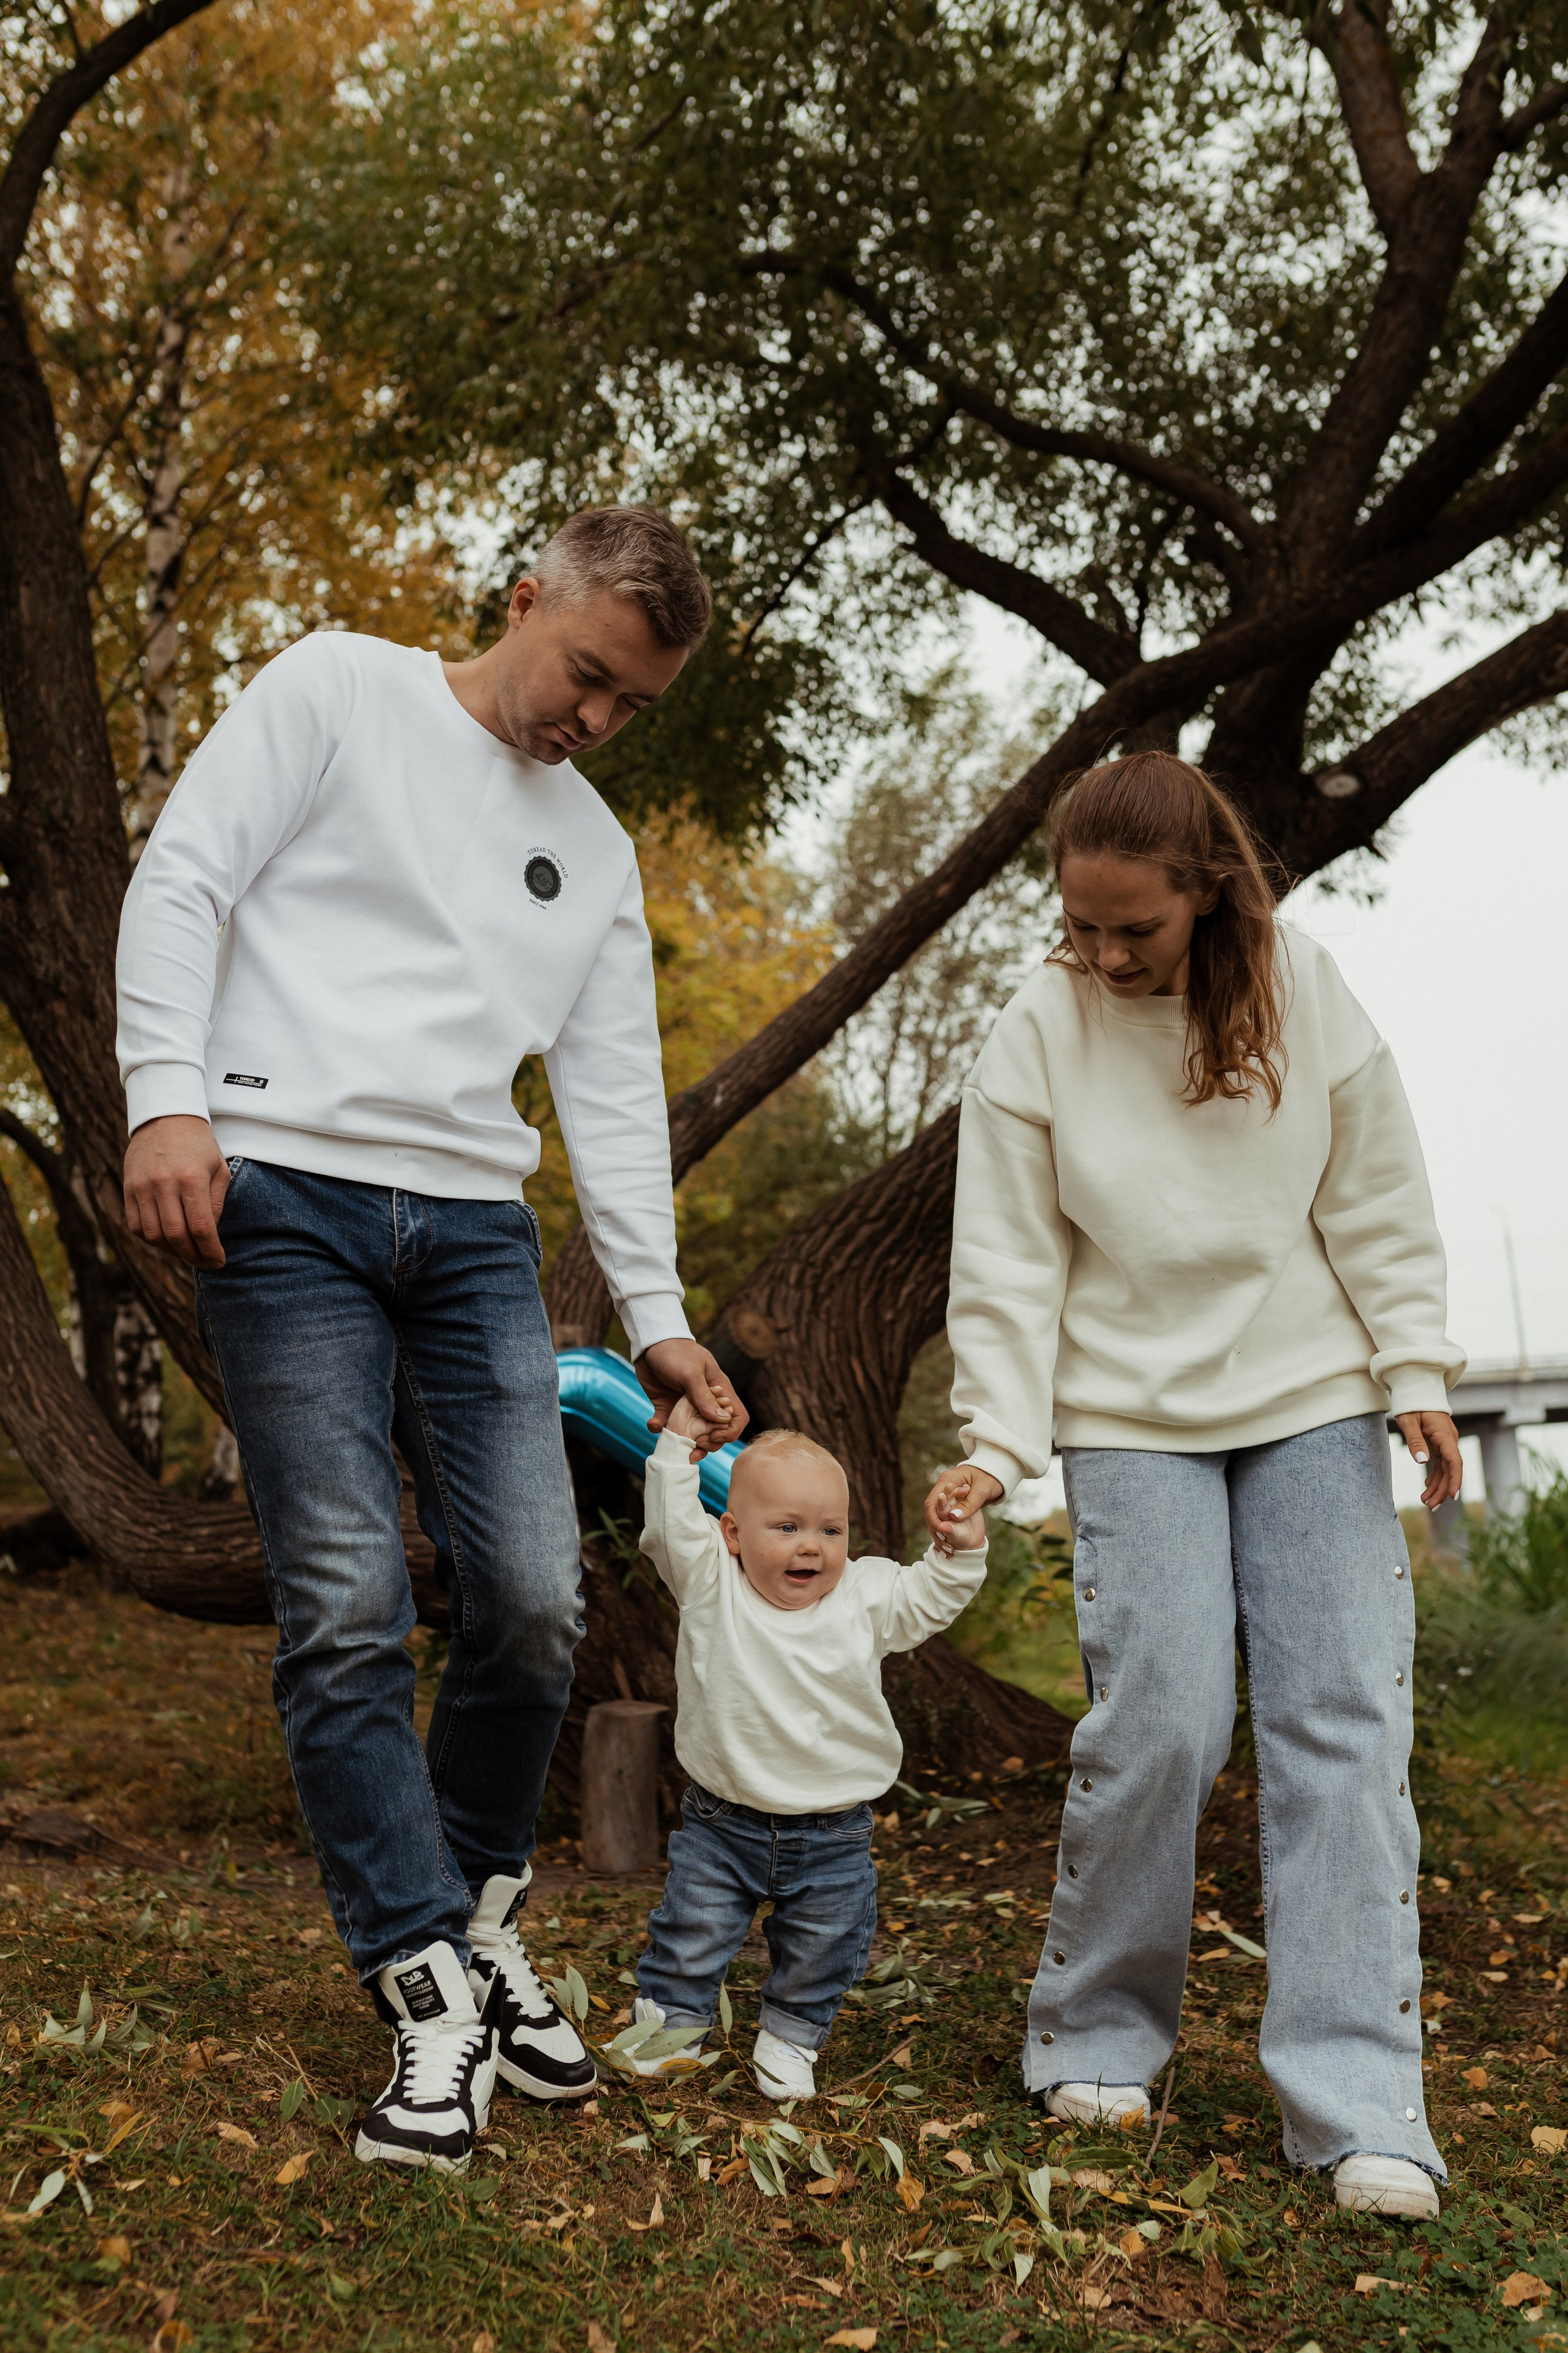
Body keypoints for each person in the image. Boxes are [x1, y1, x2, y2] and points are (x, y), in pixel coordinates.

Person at [115, 506, 747, 2174]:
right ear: (523, 597)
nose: (594, 720)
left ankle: (464, 1928)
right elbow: (185, 879)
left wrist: (664, 1319)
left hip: (474, 1232)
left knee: (538, 1604)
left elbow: (611, 1097)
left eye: (633, 708)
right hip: (282, 1195)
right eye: (587, 675)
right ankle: (423, 1981)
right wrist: (163, 1103)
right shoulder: (337, 689)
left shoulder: (595, 853)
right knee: (345, 1595)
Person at [923, 752, 1463, 2224]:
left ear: (1205, 897)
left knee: (1339, 1724)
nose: (1100, 957)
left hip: (1303, 1393)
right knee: (1160, 1713)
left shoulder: (1305, 994)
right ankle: (1096, 2034)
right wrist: (995, 1432)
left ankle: (1358, 2105)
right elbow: (1009, 1254)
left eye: (1131, 933)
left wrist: (1412, 1368)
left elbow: (1373, 1192)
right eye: (1078, 926)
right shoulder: (1039, 1024)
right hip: (1123, 1407)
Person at [628, 1398, 989, 2099]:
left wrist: (959, 1546)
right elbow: (669, 1525)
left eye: (830, 1529)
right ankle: (667, 2029)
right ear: (731, 1533)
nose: (811, 1546)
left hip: (833, 1831)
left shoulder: (865, 1594)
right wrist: (676, 1448)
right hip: (721, 1822)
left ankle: (791, 2037)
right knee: (691, 1933)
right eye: (786, 1527)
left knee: (823, 1946)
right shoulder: (710, 1583)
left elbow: (930, 1597)